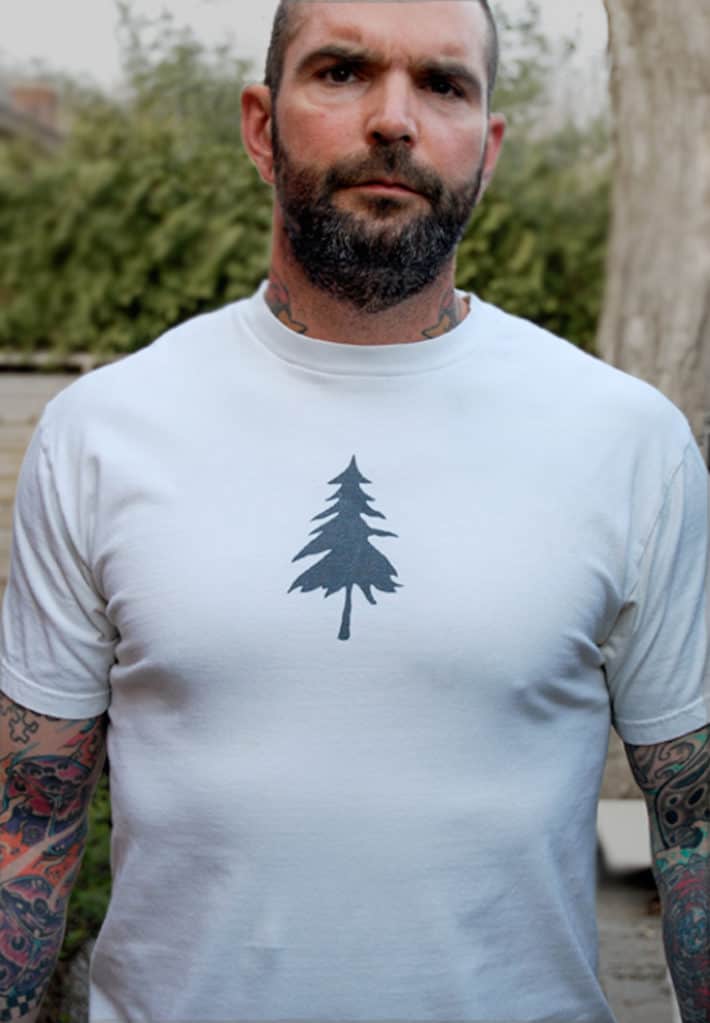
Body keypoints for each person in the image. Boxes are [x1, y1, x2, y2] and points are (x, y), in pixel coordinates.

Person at [1, 1, 708, 1021]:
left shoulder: (625, 441)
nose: (392, 118)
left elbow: (686, 832)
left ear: (487, 148)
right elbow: (32, 824)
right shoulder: (101, 432)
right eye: (340, 72)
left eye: (442, 83)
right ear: (259, 123)